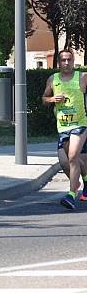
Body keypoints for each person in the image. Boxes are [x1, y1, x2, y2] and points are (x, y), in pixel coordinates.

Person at [42, 49, 87, 210]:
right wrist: (52, 99)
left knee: (74, 157)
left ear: (73, 61)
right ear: (59, 62)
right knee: (64, 162)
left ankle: (71, 195)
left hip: (80, 124)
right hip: (63, 126)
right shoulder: (53, 79)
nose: (66, 63)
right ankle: (84, 181)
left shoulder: (82, 77)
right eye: (63, 60)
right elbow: (44, 99)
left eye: (69, 59)